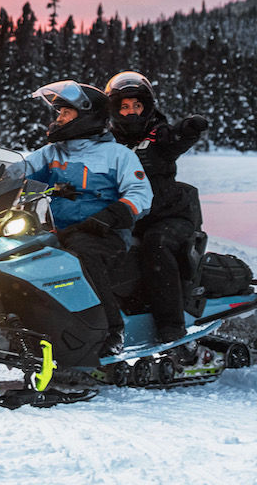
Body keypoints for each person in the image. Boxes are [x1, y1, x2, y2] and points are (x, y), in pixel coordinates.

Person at [17, 80, 153, 356]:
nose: (59, 119)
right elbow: (20, 175)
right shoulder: (52, 153)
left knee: (82, 254)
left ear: (87, 115)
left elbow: (141, 193)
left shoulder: (116, 154)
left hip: (105, 234)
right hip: (58, 232)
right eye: (59, 113)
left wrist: (110, 216)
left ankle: (111, 331)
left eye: (66, 113)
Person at [104, 71, 209, 343]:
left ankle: (171, 330)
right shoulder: (106, 143)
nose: (131, 112)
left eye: (136, 106)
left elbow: (175, 138)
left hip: (169, 216)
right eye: (124, 107)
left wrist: (189, 128)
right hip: (130, 215)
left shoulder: (157, 136)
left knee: (156, 245)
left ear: (146, 107)